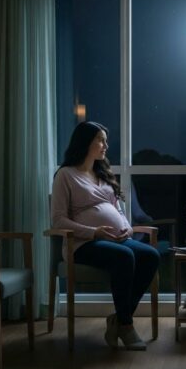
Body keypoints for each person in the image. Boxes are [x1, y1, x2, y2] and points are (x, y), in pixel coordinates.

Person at [51, 121, 160, 351]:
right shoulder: (65, 175)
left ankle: (119, 319)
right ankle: (127, 326)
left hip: (117, 239)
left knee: (151, 255)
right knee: (124, 257)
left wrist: (127, 228)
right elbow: (58, 220)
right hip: (83, 244)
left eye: (105, 140)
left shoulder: (102, 174)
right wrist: (94, 232)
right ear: (85, 143)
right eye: (100, 140)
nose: (105, 145)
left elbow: (117, 209)